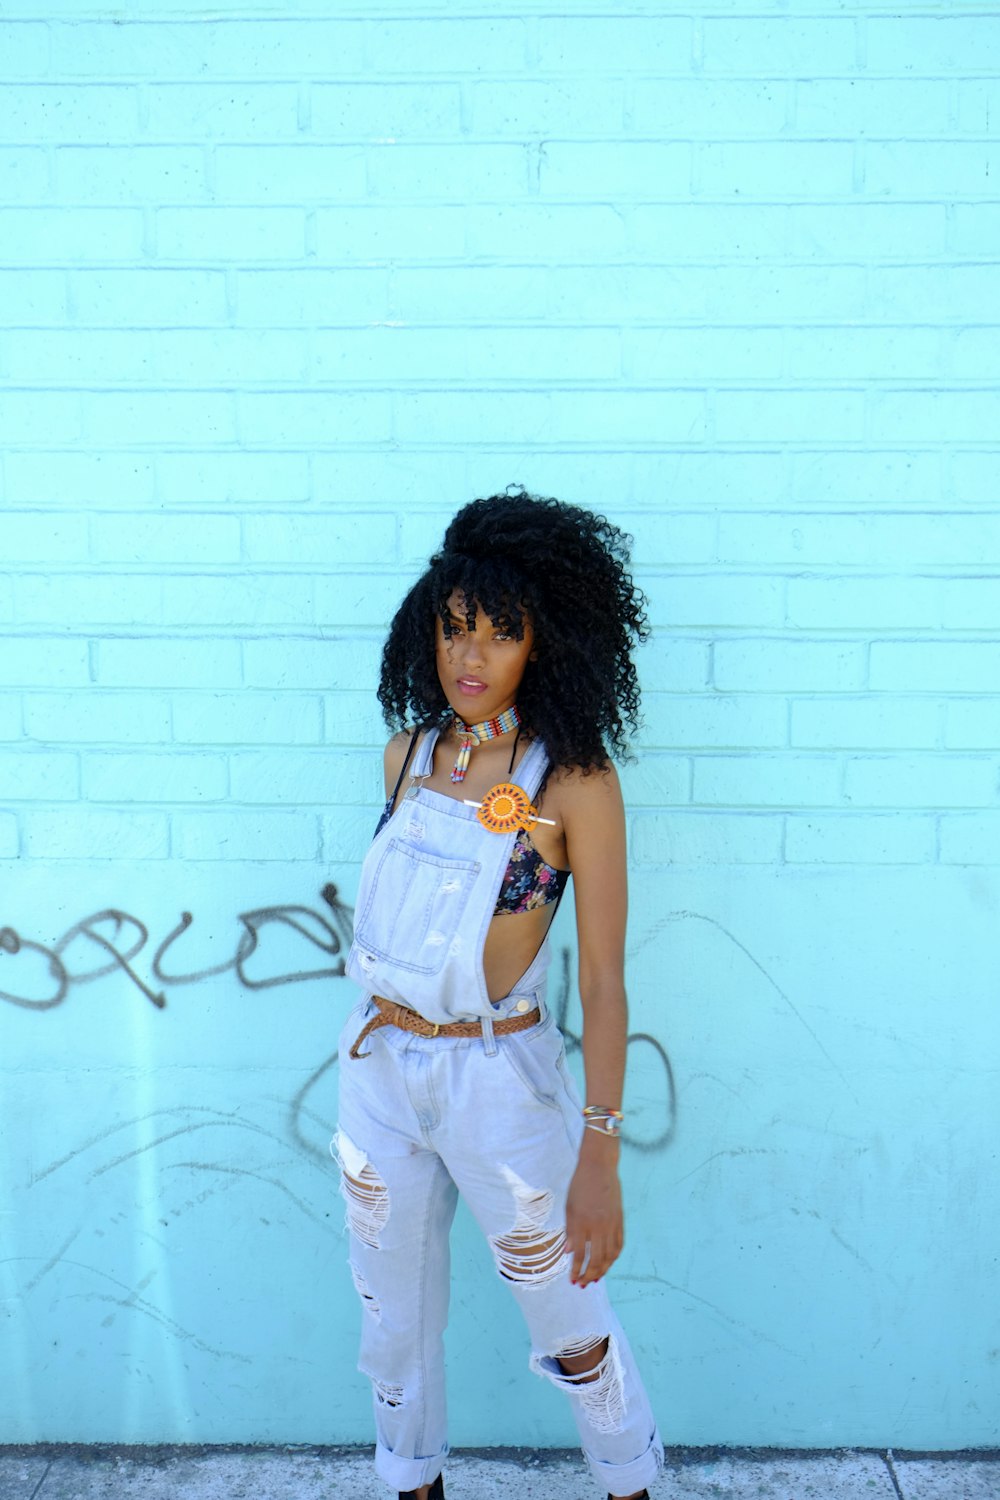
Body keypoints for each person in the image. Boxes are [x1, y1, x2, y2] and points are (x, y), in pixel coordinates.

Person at [335, 490, 663, 1500]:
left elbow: (604, 980)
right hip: (380, 1069)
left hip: (498, 1080)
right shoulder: (406, 761)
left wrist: (598, 1152)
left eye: (500, 634)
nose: (468, 657)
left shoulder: (570, 781)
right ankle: (412, 1485)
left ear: (544, 645)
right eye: (452, 629)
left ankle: (632, 1483)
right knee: (391, 1323)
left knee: (566, 1320)